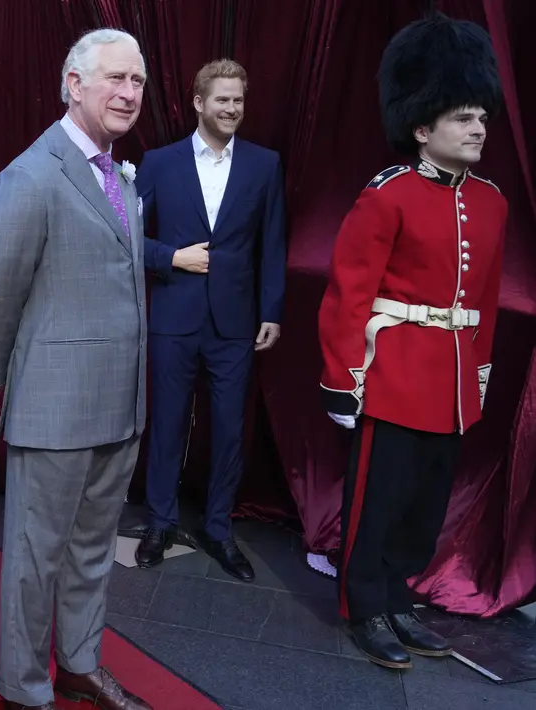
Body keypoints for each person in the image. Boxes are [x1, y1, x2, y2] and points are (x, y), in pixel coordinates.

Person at [0, 28, 152, 710]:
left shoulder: (117, 174)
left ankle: (77, 663)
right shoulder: (31, 176)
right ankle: (22, 688)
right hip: (54, 408)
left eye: (136, 81)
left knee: (92, 554)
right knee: (33, 559)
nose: (129, 93)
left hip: (119, 404)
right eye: (115, 78)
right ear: (73, 84)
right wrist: (18, 378)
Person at [318, 12, 506, 669]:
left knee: (423, 506)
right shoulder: (386, 196)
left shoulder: (490, 202)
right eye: (462, 116)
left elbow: (480, 301)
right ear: (422, 127)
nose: (478, 127)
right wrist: (342, 381)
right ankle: (363, 605)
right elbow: (348, 294)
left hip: (449, 381)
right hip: (391, 374)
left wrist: (476, 373)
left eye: (481, 115)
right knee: (378, 502)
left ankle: (397, 599)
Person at [131, 59, 287, 581]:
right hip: (173, 314)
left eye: (239, 100)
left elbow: (272, 243)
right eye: (222, 99)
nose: (232, 109)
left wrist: (271, 310)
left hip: (236, 322)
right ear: (198, 102)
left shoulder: (265, 165)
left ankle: (219, 531)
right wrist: (171, 258)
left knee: (228, 430)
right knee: (168, 423)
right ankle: (159, 523)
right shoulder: (158, 162)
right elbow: (126, 235)